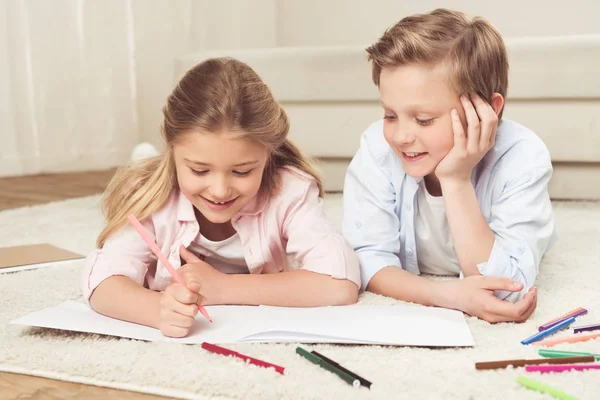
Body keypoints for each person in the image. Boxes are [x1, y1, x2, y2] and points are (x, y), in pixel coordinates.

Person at [83, 57, 360, 338]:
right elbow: (102, 281)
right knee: (141, 171)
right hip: (153, 179)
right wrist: (157, 310)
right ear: (172, 148)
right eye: (199, 170)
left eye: (242, 171)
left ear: (268, 155)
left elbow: (340, 282)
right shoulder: (148, 195)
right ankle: (143, 158)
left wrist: (222, 287)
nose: (219, 191)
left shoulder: (289, 190)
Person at [342, 9, 557, 323]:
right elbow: (365, 259)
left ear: (487, 110)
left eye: (424, 120)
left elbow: (506, 291)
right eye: (390, 115)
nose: (400, 136)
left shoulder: (523, 158)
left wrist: (455, 180)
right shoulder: (377, 147)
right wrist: (445, 295)